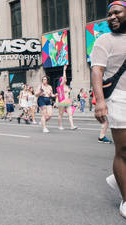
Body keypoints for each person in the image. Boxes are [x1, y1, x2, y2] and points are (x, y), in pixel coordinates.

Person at [91, 1, 126, 219]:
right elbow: (97, 71)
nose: (111, 16)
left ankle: (117, 178)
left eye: (117, 12)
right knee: (123, 151)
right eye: (109, 13)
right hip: (119, 99)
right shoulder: (103, 40)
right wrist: (100, 101)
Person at [57, 65, 78, 130]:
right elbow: (64, 77)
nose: (65, 79)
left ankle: (72, 126)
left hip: (67, 101)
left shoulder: (67, 86)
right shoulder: (61, 86)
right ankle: (60, 126)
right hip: (62, 101)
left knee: (70, 114)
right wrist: (64, 70)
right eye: (63, 79)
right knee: (61, 114)